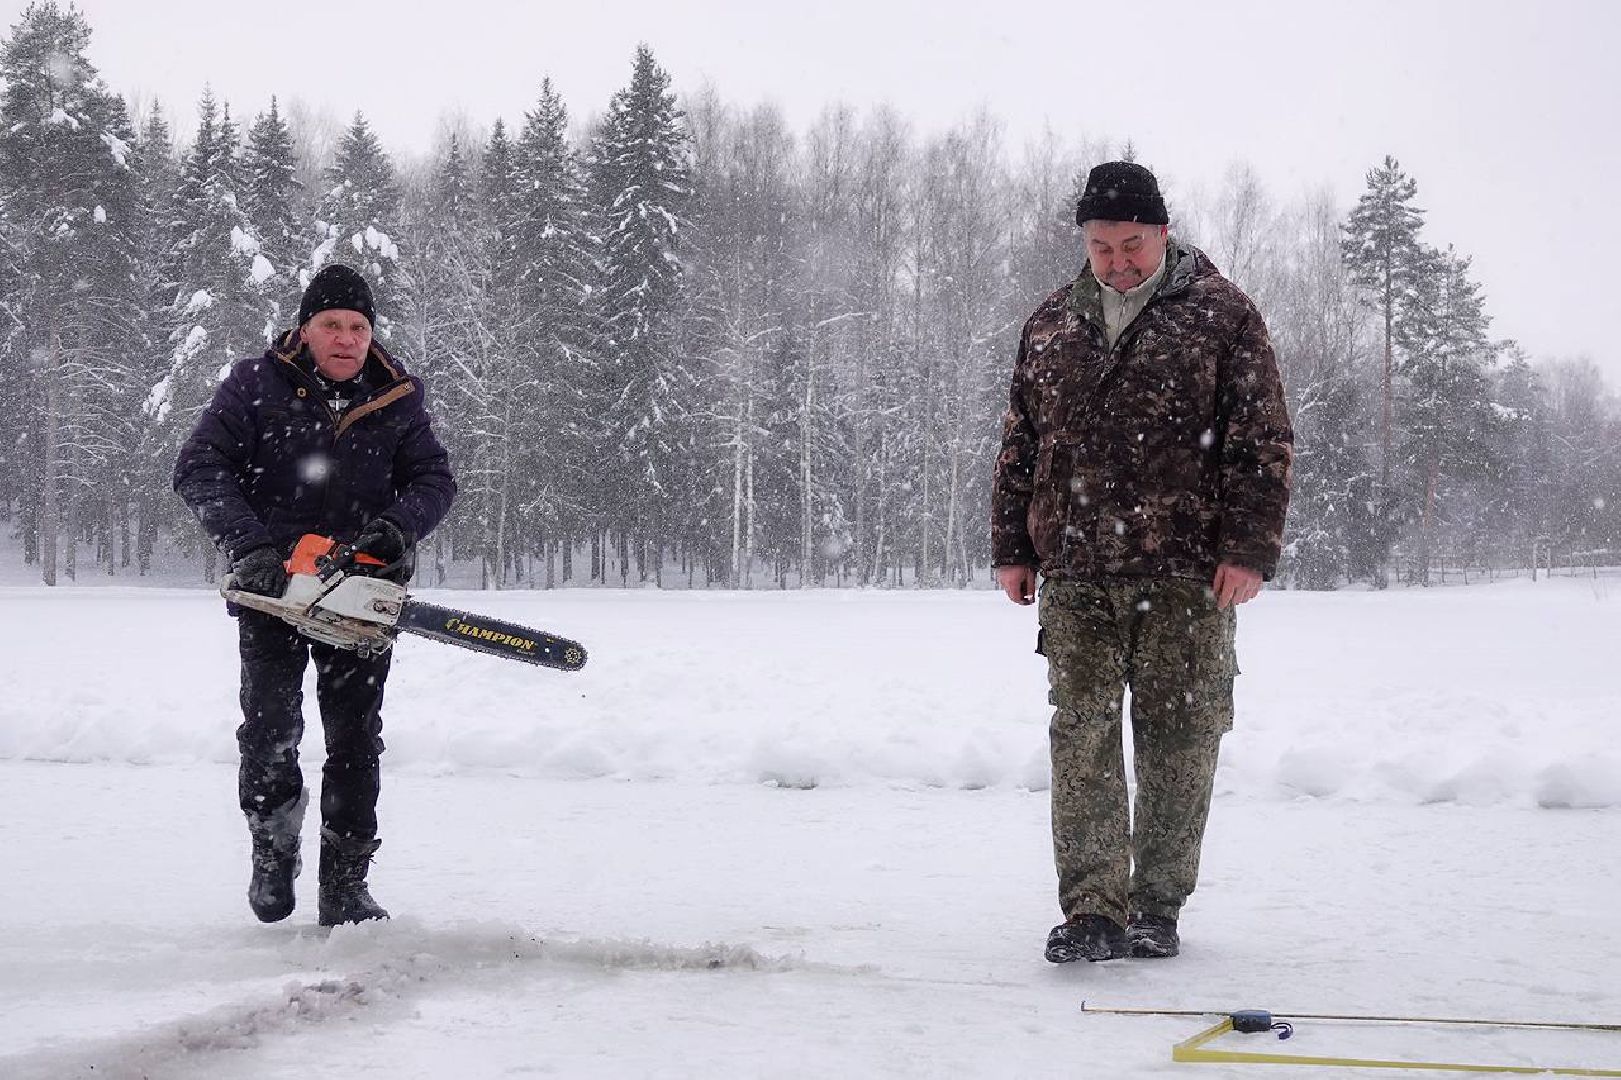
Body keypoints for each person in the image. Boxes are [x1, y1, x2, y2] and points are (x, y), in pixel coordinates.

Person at [991, 162, 1293, 962]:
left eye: (1131, 244)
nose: (1117, 261)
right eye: (1101, 247)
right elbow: (1021, 439)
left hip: (1187, 573)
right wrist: (1012, 547)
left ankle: (1155, 905)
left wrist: (1248, 549)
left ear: (1161, 233)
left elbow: (1260, 440)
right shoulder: (1051, 321)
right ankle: (1092, 908)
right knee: (1081, 737)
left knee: (1179, 739)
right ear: (1083, 244)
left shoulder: (1222, 315)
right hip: (1079, 570)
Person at [174, 264, 457, 926]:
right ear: (305, 328)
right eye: (332, 324)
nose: (346, 338)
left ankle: (346, 882)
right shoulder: (254, 385)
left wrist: (398, 526)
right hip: (273, 592)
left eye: (359, 327)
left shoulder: (397, 397)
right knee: (271, 732)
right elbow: (199, 468)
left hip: (362, 596)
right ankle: (273, 854)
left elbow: (434, 480)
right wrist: (251, 548)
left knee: (355, 740)